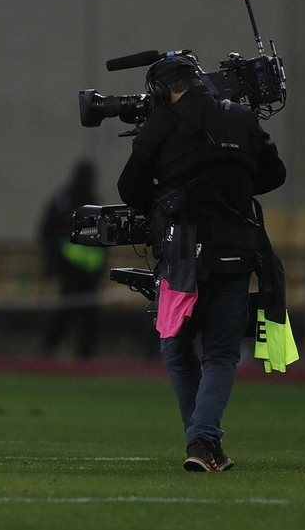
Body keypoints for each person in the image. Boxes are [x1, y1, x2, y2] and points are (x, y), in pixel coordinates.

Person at [116, 56, 287, 472]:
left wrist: (164, 196)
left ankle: (201, 438)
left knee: (176, 348)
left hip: (182, 258)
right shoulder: (241, 117)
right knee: (221, 354)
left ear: (162, 91)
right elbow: (274, 173)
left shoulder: (161, 122)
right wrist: (233, 184)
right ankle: (205, 441)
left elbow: (129, 187)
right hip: (238, 252)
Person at [39, 159, 104, 358]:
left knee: (86, 315)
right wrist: (54, 263)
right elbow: (49, 233)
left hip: (87, 271)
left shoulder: (90, 202)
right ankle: (51, 349)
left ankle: (84, 355)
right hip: (70, 268)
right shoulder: (66, 202)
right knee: (66, 312)